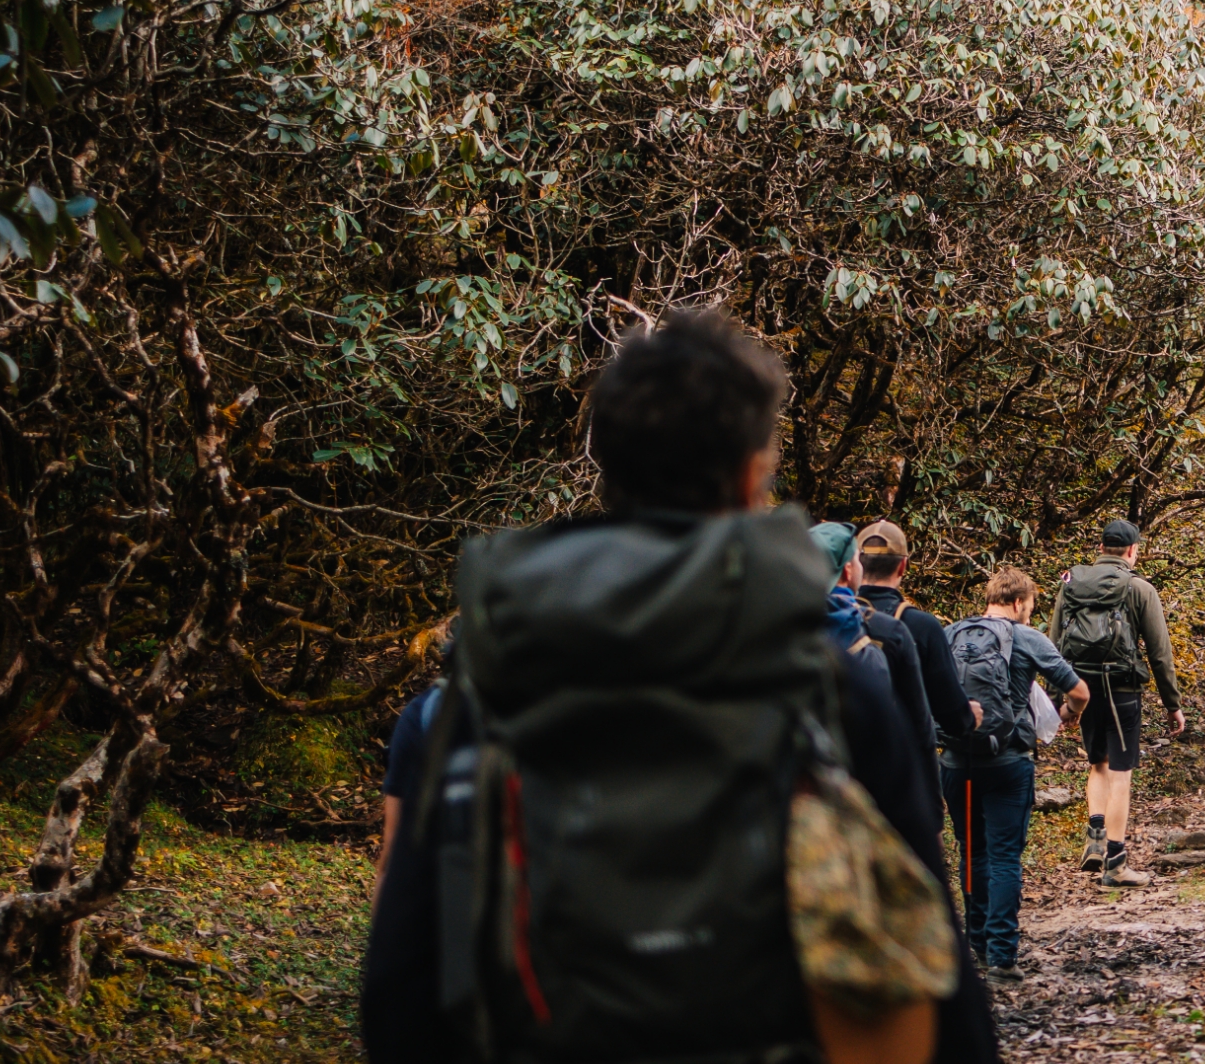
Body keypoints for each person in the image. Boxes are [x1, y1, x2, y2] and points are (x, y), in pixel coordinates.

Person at [359, 310, 999, 1064]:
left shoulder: (494, 692)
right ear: (751, 474)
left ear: (607, 468)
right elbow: (933, 969)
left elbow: (402, 990)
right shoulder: (825, 692)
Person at [939, 566, 1081, 985]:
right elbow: (1080, 691)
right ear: (1019, 603)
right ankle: (1002, 958)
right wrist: (1069, 715)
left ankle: (976, 946)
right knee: (1003, 857)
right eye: (1032, 606)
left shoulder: (950, 634)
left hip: (956, 764)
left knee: (971, 853)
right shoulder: (1027, 637)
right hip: (1007, 767)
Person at [1047, 519, 1183, 888]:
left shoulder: (1071, 583)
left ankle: (1096, 835)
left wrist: (1060, 696)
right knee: (1122, 771)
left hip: (1082, 686)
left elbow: (1055, 640)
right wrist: (1172, 703)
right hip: (1122, 688)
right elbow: (1159, 653)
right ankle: (1116, 863)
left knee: (1098, 762)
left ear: (1102, 547)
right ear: (1132, 550)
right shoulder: (1139, 588)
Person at [814, 520, 980, 743]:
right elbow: (951, 717)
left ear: (856, 564)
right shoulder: (920, 626)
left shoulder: (818, 618)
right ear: (903, 566)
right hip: (895, 760)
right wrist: (969, 717)